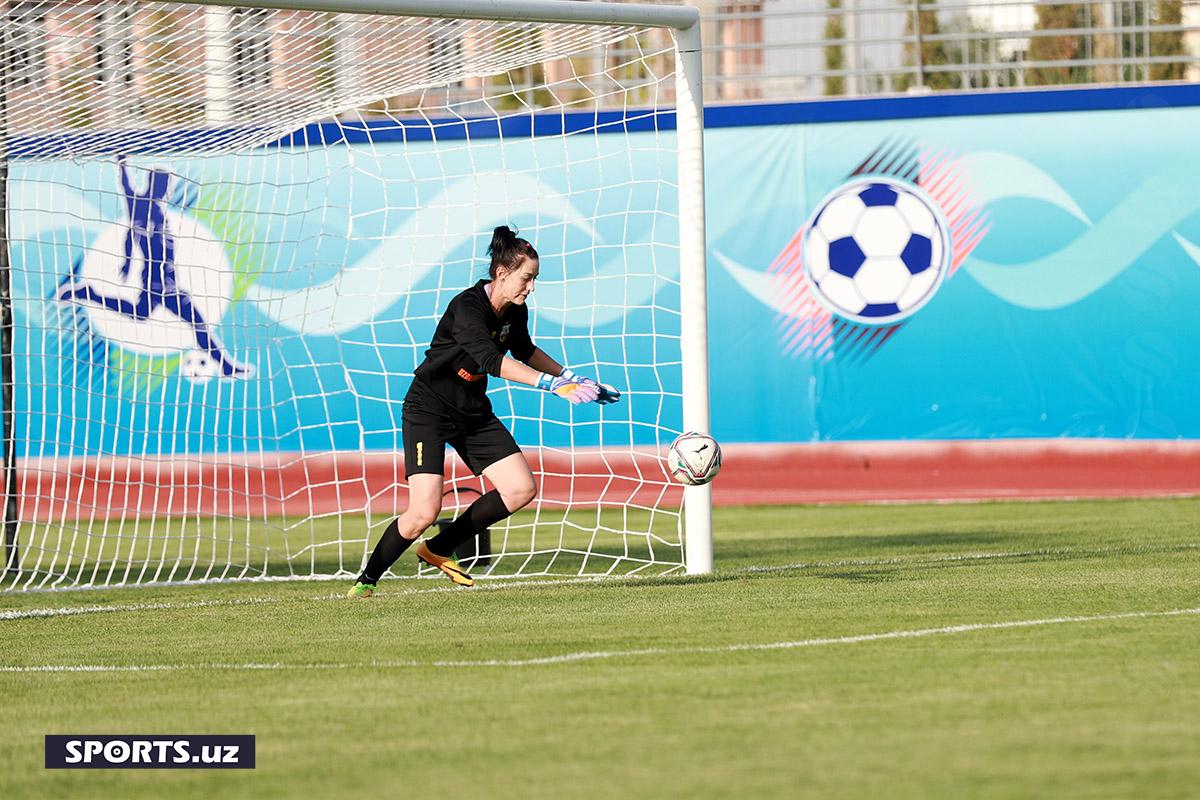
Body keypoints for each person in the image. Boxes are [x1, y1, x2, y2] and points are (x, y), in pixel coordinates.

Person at [347, 226, 619, 596]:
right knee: (423, 513)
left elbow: (524, 349)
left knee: (520, 488)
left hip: (472, 411)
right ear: (502, 273)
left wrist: (572, 376)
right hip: (429, 409)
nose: (531, 287)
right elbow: (491, 360)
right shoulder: (466, 307)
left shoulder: (515, 310)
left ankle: (439, 548)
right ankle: (367, 581)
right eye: (527, 278)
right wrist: (550, 385)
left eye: (535, 279)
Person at [58, 156, 252, 379]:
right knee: (195, 322)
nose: (166, 190)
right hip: (159, 280)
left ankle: (87, 293)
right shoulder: (141, 205)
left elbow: (133, 235)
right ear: (154, 185)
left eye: (168, 186)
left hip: (162, 278)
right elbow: (126, 188)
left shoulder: (158, 209)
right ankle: (225, 365)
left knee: (143, 314)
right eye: (164, 185)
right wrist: (122, 163)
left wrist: (128, 260)